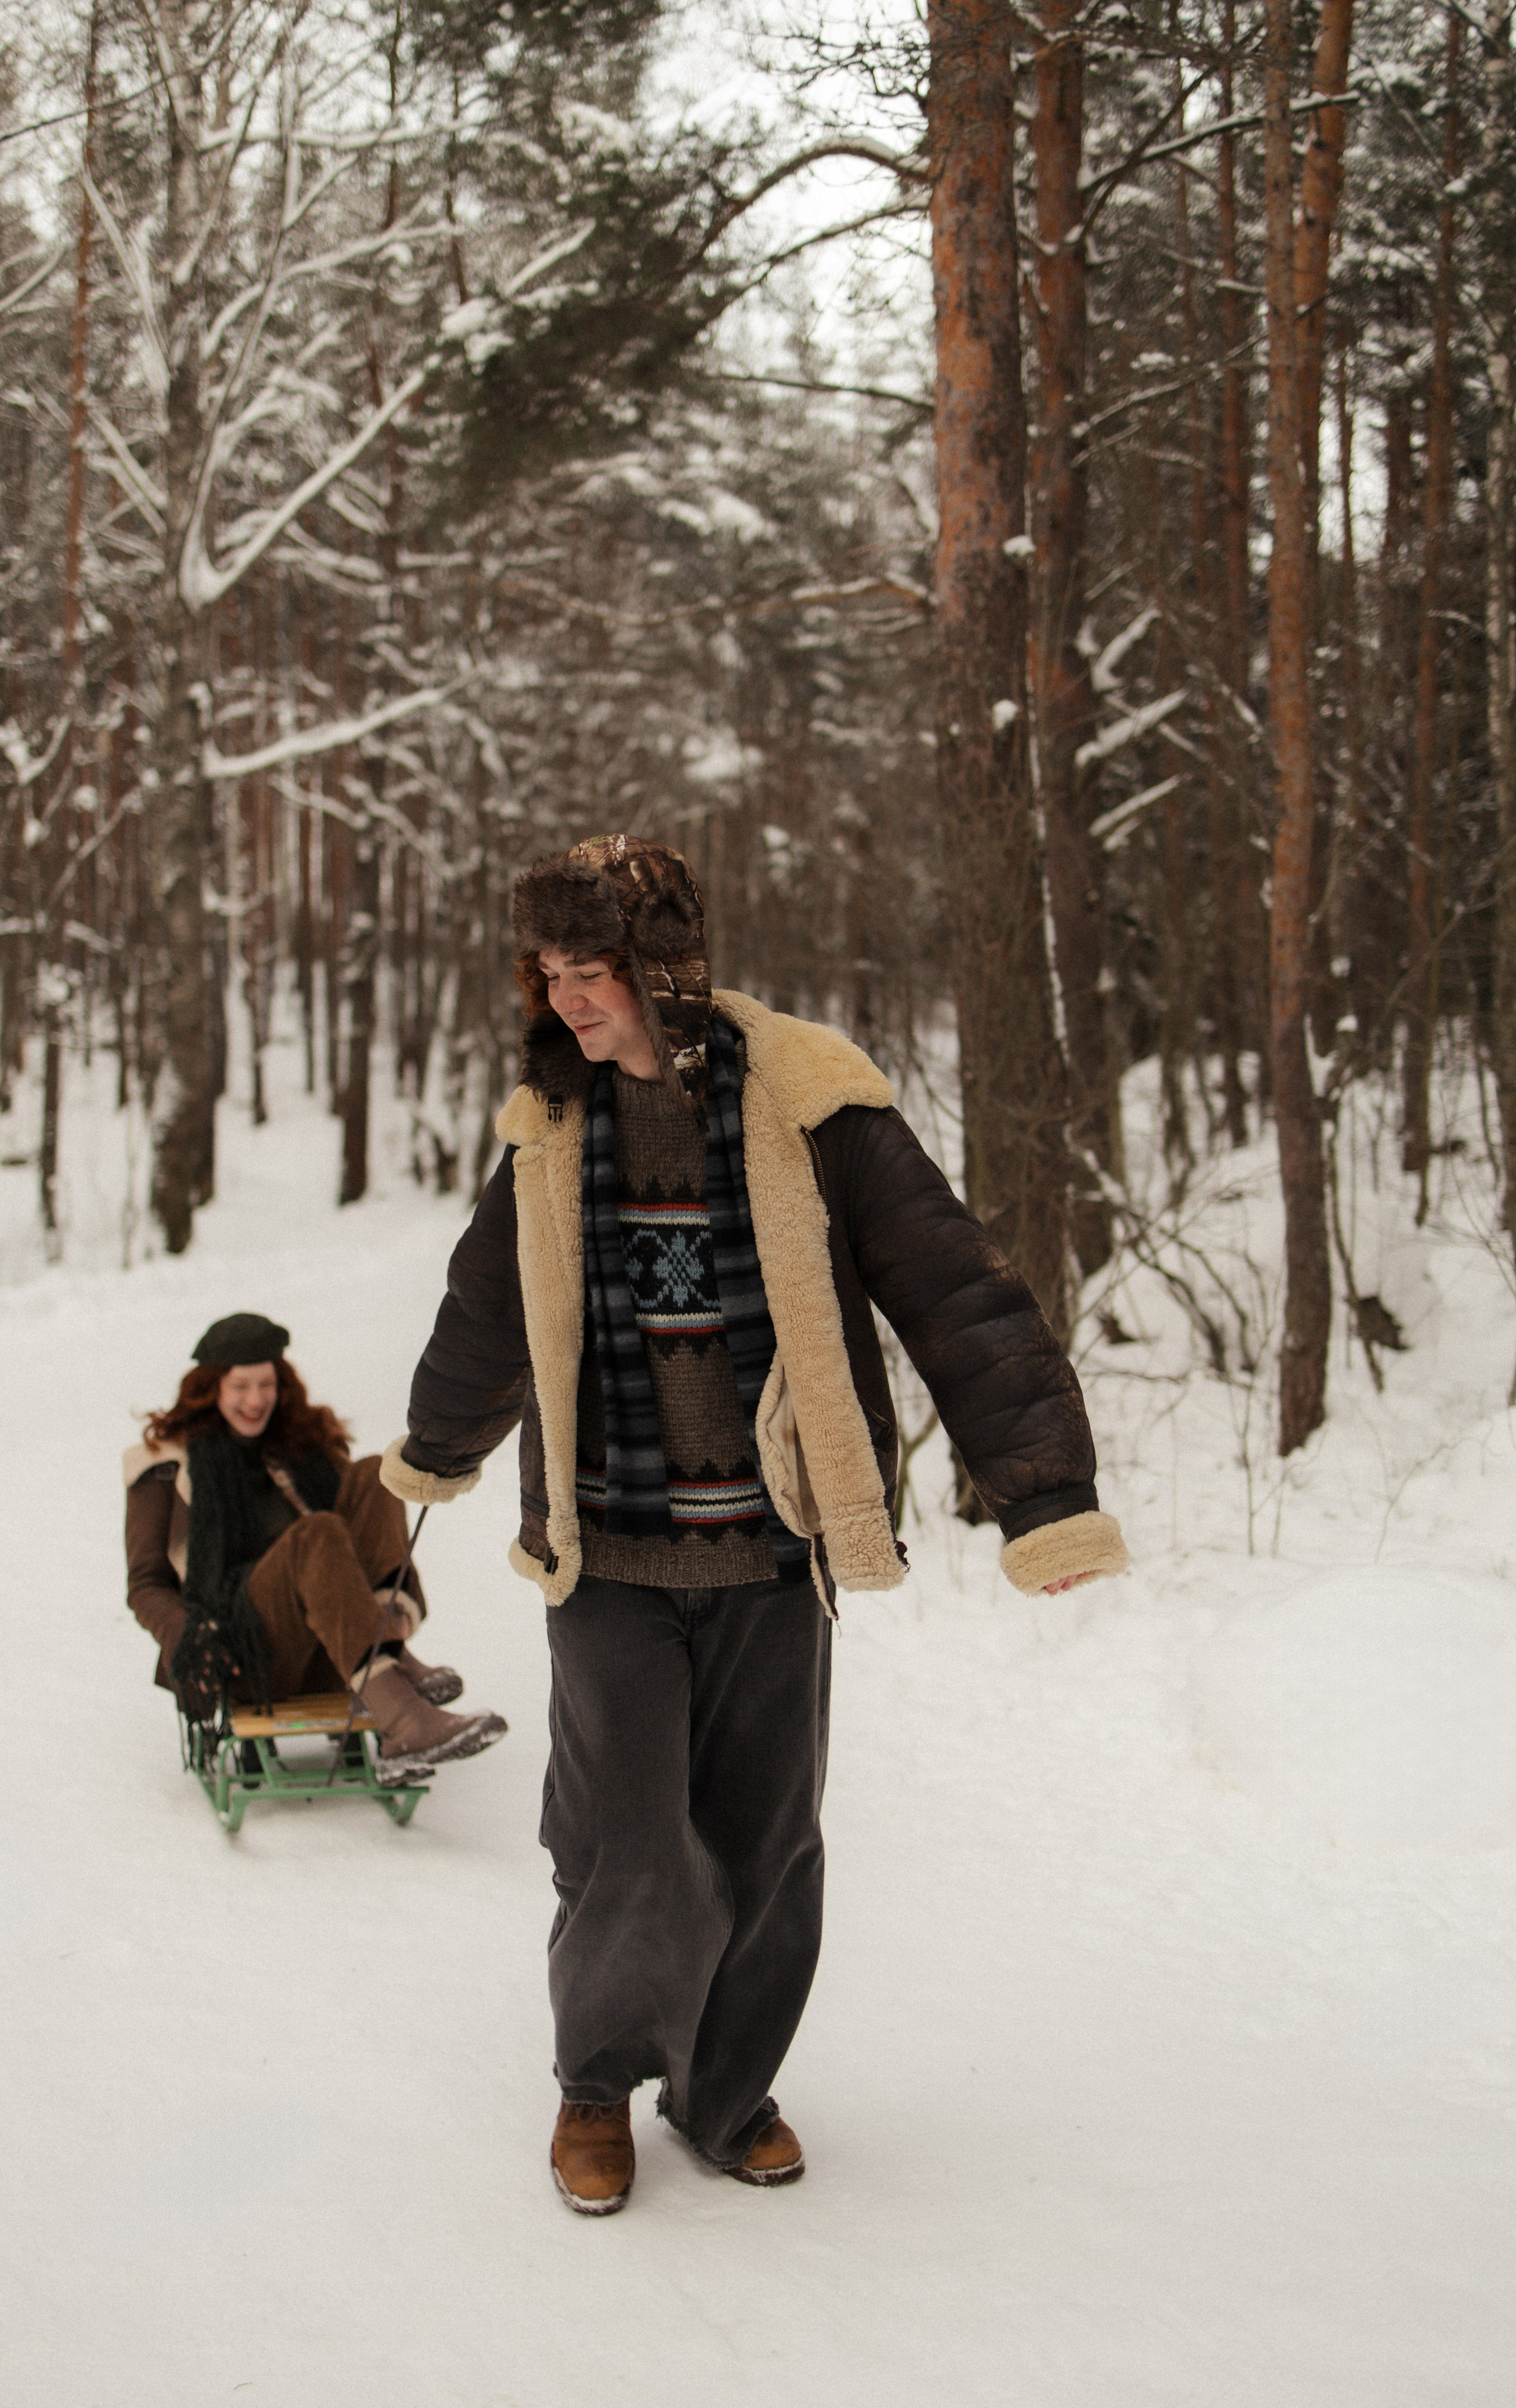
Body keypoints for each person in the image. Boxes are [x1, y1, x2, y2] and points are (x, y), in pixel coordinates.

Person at [382, 836, 1127, 2214]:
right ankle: (596, 2086)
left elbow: (954, 1295)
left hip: (771, 1549)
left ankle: (725, 2094)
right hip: (605, 1555)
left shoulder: (809, 1098)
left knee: (766, 1836)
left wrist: (1045, 1501)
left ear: (661, 974)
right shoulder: (546, 1123)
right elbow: (487, 1313)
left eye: (588, 973)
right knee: (619, 1833)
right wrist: (426, 1462)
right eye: (545, 976)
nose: (564, 1004)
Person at [125, 1312, 507, 1775]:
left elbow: (367, 1535)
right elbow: (146, 1584)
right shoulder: (166, 1465)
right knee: (316, 1534)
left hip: (332, 1643)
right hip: (246, 1657)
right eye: (240, 1386)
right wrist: (191, 1637)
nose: (256, 1400)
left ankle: (391, 1650)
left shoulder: (301, 1445)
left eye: (266, 1385)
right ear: (212, 1389)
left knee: (374, 1474)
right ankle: (405, 1719)